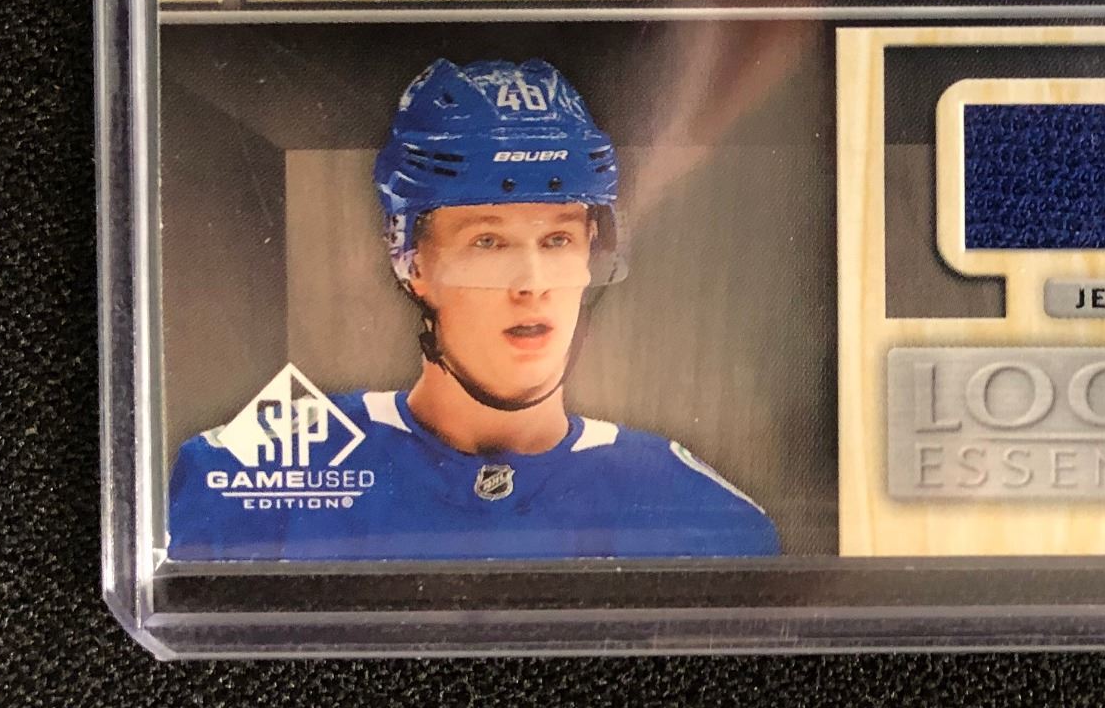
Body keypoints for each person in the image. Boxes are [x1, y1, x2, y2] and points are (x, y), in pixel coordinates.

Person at [167, 57, 780, 560]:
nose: (531, 284)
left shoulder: (700, 513)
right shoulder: (254, 472)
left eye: (557, 239)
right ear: (412, 262)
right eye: (488, 243)